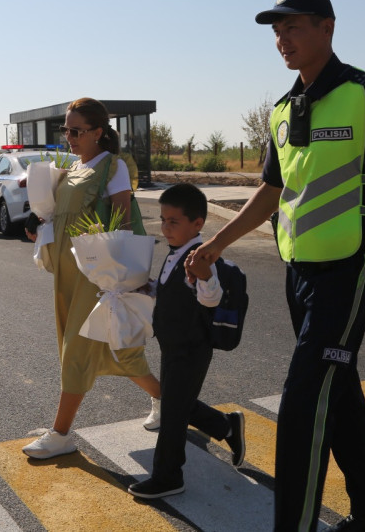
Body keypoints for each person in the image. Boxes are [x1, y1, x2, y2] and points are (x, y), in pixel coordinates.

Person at [188, 0, 365, 532]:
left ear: (328, 27)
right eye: (277, 32)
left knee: (301, 404)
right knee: (338, 394)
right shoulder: (280, 112)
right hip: (299, 276)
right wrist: (215, 244)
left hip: (347, 271)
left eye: (293, 27)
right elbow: (270, 193)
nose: (282, 40)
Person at [22, 97, 161, 459]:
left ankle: (61, 433)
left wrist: (123, 276)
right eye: (65, 129)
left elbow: (124, 221)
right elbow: (59, 217)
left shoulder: (112, 167)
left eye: (76, 130)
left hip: (97, 274)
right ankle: (169, 403)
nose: (69, 136)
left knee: (77, 348)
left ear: (98, 132)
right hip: (69, 273)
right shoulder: (72, 167)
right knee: (122, 350)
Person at [127, 183, 245, 499]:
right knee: (177, 402)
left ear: (197, 224)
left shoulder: (203, 257)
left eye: (173, 222)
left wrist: (205, 276)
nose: (165, 228)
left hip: (191, 347)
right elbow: (174, 291)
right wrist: (150, 289)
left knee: (173, 413)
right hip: (172, 345)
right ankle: (226, 427)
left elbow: (211, 298)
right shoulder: (176, 253)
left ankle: (168, 476)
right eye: (163, 220)